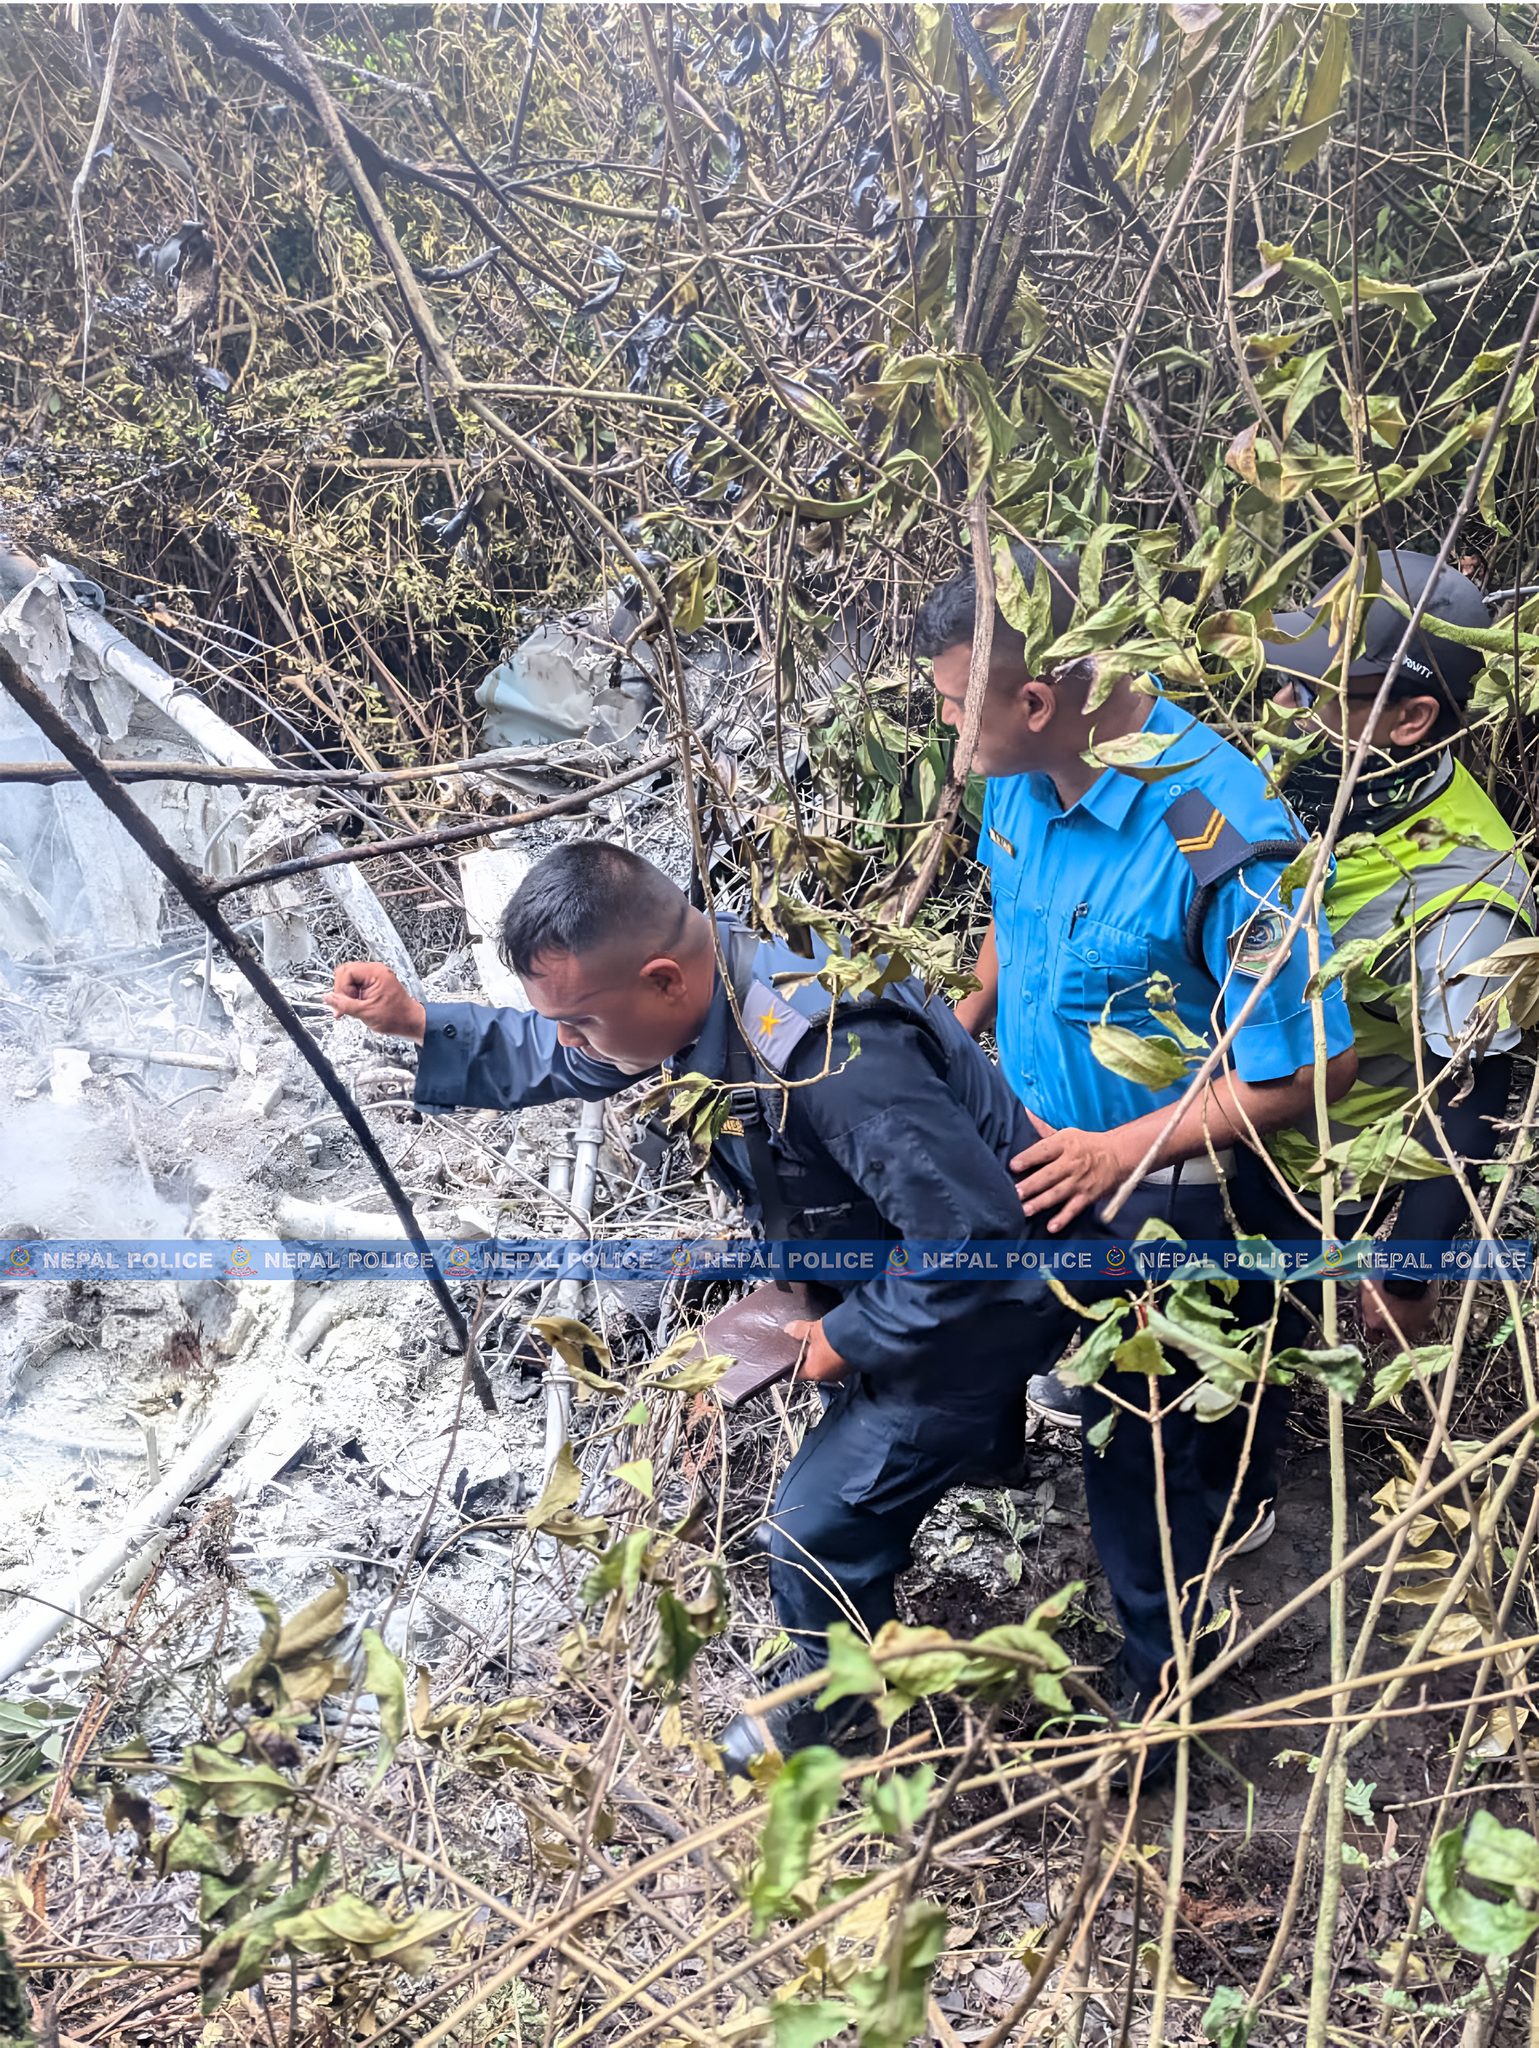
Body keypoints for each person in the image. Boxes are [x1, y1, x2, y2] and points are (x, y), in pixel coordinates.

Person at [325, 840, 1058, 1772]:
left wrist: (849, 1334)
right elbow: (568, 1052)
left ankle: (837, 1696)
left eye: (582, 1020)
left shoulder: (828, 1055)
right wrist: (419, 1021)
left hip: (983, 1296)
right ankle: (982, 1448)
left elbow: (974, 1242)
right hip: (901, 1262)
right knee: (878, 1414)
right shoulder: (712, 982)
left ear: (663, 980)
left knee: (809, 1530)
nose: (572, 1042)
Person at [920, 545, 1357, 1714]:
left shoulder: (1222, 831)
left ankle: (1168, 1682)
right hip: (1052, 1147)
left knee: (1141, 1446)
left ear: (1035, 700)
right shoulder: (1021, 777)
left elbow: (1310, 1066)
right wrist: (960, 1024)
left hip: (1181, 1184)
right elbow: (1013, 909)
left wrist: (1119, 1152)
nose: (950, 740)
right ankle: (1219, 1485)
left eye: (956, 712)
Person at [1256, 547, 1532, 1343]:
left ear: (1409, 720)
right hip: (1207, 1099)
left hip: (1312, 1166)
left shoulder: (1469, 900)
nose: (1284, 702)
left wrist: (1409, 1269)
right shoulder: (1318, 763)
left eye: (1313, 690)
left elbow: (1472, 1088)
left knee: (1255, 1338)